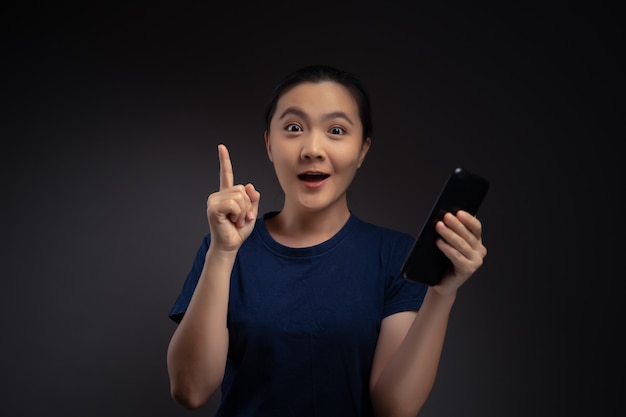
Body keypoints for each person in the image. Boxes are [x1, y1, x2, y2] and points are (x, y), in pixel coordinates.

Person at [166, 64, 487, 417]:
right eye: (293, 128)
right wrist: (223, 253)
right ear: (269, 144)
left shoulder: (393, 255)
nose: (312, 149)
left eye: (336, 130)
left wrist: (442, 293)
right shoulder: (223, 249)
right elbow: (190, 390)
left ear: (363, 150)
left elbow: (395, 408)